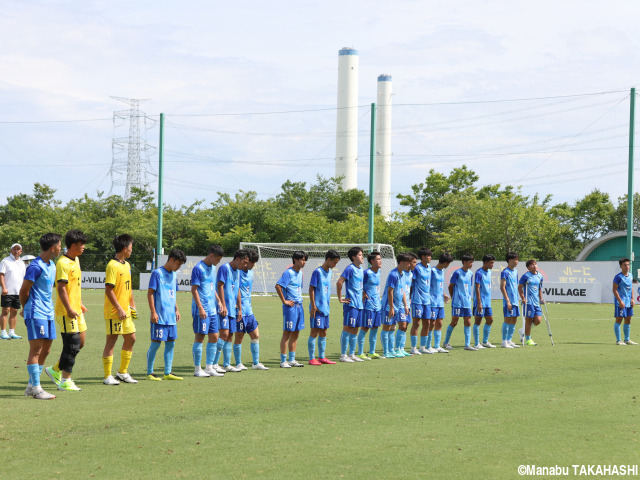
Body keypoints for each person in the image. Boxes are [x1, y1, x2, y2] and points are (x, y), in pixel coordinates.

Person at [20, 233, 61, 400]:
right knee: (36, 350)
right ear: (52, 248)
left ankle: (31, 385)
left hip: (48, 312)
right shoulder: (35, 267)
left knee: (47, 349)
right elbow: (24, 291)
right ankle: (37, 388)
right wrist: (26, 308)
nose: (60, 248)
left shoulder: (52, 265)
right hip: (36, 312)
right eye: (59, 245)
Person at [46, 230, 88, 392]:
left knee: (80, 342)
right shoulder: (62, 263)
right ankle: (65, 380)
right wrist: (69, 308)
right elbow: (61, 289)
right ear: (73, 245)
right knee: (72, 344)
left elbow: (74, 285)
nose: (84, 247)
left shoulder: (76, 259)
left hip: (76, 309)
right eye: (81, 244)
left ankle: (55, 369)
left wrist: (80, 303)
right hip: (66, 311)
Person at [102, 234, 139, 385]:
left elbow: (128, 288)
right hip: (114, 312)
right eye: (131, 247)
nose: (132, 249)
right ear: (125, 248)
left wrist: (132, 304)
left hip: (126, 311)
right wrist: (118, 308)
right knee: (112, 341)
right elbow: (109, 289)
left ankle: (122, 372)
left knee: (131, 338)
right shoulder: (112, 265)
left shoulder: (127, 265)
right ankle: (107, 376)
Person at [146, 249, 186, 381]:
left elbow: (172, 294)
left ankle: (168, 372)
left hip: (171, 317)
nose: (179, 267)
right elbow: (150, 293)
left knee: (171, 343)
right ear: (171, 260)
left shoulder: (174, 275)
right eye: (178, 264)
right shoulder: (157, 273)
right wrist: (153, 312)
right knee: (156, 343)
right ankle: (150, 373)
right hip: (160, 317)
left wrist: (177, 310)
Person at [190, 245, 225, 378]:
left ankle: (209, 367)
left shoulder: (213, 268)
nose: (218, 262)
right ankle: (197, 369)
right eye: (217, 259)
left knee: (214, 336)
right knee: (200, 337)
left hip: (212, 309)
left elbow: (211, 287)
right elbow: (194, 290)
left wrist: (219, 301)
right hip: (202, 310)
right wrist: (200, 307)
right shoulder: (198, 269)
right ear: (211, 256)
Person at [215, 249, 249, 373]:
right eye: (244, 262)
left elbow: (238, 289)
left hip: (233, 309)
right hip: (224, 308)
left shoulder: (238, 272)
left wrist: (239, 308)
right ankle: (214, 363)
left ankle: (226, 364)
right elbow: (220, 286)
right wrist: (223, 305)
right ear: (237, 259)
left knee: (230, 335)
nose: (245, 265)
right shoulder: (224, 268)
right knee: (224, 334)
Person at [234, 249, 269, 370]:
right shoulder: (237, 273)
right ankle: (238, 363)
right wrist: (237, 306)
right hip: (239, 311)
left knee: (255, 335)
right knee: (239, 337)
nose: (253, 265)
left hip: (249, 310)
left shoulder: (250, 272)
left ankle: (256, 363)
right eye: (252, 262)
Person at [276, 250, 308, 368]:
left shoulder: (300, 273)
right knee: (287, 333)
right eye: (302, 259)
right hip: (290, 307)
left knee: (296, 332)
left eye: (305, 260)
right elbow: (278, 286)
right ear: (295, 260)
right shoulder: (288, 273)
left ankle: (292, 359)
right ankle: (283, 361)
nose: (304, 262)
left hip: (299, 306)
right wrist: (284, 300)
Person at [308, 250, 340, 365]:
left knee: (324, 332)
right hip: (317, 308)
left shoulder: (330, 272)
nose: (335, 265)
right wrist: (313, 306)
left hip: (326, 308)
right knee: (314, 331)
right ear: (328, 260)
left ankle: (321, 357)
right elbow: (311, 288)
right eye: (334, 262)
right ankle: (312, 358)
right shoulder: (317, 272)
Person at [336, 246, 365, 363]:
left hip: (359, 305)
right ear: (353, 257)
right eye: (360, 255)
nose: (362, 257)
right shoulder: (350, 268)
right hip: (351, 304)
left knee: (355, 329)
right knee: (347, 328)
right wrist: (340, 299)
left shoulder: (361, 269)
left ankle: (352, 354)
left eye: (362, 255)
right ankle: (343, 355)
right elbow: (339, 282)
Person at [380, 253, 411, 358]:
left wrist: (405, 305)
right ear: (401, 262)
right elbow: (390, 291)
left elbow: (402, 292)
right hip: (388, 306)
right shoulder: (393, 274)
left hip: (398, 306)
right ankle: (385, 352)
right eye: (407, 262)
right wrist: (391, 307)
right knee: (387, 327)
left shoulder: (402, 274)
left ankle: (392, 350)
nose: (409, 265)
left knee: (392, 328)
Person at [444, 254, 476, 351]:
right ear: (464, 262)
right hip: (457, 302)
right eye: (470, 262)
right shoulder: (457, 273)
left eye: (472, 262)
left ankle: (467, 345)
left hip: (467, 302)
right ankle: (446, 342)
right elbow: (451, 286)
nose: (472, 264)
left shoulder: (470, 273)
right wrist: (454, 297)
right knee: (454, 322)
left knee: (468, 322)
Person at [0, 243, 26, 339]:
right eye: (14, 249)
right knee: (5, 311)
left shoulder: (22, 263)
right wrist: (3, 287)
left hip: (18, 292)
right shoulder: (5, 261)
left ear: (21, 251)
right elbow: (1, 275)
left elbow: (24, 278)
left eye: (18, 249)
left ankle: (12, 332)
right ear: (11, 250)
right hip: (7, 291)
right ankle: (3, 333)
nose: (16, 251)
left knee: (14, 312)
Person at [409, 247, 432, 355]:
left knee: (427, 323)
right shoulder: (417, 268)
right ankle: (413, 348)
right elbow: (411, 283)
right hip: (417, 300)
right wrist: (409, 297)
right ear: (423, 257)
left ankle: (422, 347)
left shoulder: (429, 267)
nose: (430, 257)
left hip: (427, 301)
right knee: (416, 323)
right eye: (428, 256)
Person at [429, 252, 453, 353]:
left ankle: (437, 346)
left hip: (440, 302)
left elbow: (440, 285)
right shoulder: (432, 271)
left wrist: (444, 295)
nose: (448, 266)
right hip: (432, 301)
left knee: (440, 323)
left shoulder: (442, 271)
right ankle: (428, 345)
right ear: (445, 263)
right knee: (431, 323)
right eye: (448, 263)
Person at [361, 251, 382, 359]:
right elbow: (359, 285)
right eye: (378, 259)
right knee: (365, 328)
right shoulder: (366, 273)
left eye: (380, 259)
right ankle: (360, 353)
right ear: (372, 261)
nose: (380, 261)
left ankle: (372, 352)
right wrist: (364, 294)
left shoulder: (379, 272)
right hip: (368, 305)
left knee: (375, 328)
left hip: (377, 305)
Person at [517, 259, 544, 346]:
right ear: (528, 267)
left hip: (536, 302)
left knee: (538, 320)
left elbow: (539, 288)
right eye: (532, 265)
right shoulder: (526, 276)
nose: (534, 266)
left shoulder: (540, 276)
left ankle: (523, 331)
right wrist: (523, 298)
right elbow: (520, 287)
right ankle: (528, 339)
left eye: (535, 264)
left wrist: (541, 298)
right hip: (528, 302)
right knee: (528, 320)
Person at [395, 253, 417, 356]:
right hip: (400, 303)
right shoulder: (401, 274)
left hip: (407, 303)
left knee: (406, 326)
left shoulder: (411, 274)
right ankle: (396, 348)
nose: (413, 265)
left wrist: (408, 301)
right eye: (412, 262)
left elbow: (409, 289)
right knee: (402, 325)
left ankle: (402, 348)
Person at [473, 254, 496, 349]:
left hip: (487, 302)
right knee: (478, 321)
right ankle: (476, 343)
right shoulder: (479, 273)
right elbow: (477, 288)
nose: (492, 265)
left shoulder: (489, 272)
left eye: (493, 263)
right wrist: (479, 303)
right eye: (491, 263)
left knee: (490, 320)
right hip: (480, 302)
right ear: (485, 262)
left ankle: (485, 341)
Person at [613, 257, 637, 345]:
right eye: (624, 265)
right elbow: (614, 290)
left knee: (628, 320)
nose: (627, 267)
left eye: (628, 265)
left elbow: (631, 288)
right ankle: (618, 340)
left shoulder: (630, 275)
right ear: (620, 266)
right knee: (619, 320)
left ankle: (627, 339)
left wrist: (632, 299)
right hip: (621, 303)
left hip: (628, 302)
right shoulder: (618, 277)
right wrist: (620, 301)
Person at [499, 252, 521, 349]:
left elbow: (515, 286)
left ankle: (509, 340)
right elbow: (502, 287)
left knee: (514, 319)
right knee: (507, 319)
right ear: (510, 260)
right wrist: (507, 300)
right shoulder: (505, 272)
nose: (517, 261)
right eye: (516, 259)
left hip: (515, 300)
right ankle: (504, 342)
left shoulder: (515, 271)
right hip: (508, 301)